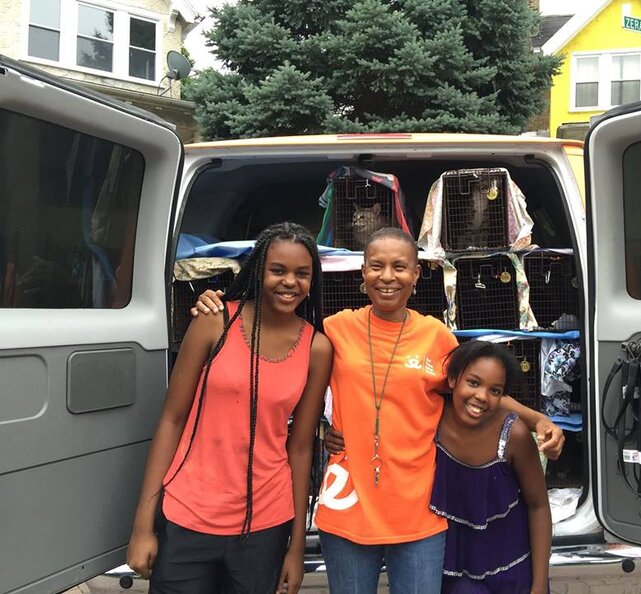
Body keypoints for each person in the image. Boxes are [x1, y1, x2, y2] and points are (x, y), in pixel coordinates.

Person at [193, 227, 564, 594]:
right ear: (363, 272)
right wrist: (217, 305)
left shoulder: (437, 338)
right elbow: (279, 334)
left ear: (416, 274)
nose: (388, 277)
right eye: (377, 266)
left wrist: (538, 419)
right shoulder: (335, 330)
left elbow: (479, 391)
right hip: (348, 509)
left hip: (420, 511)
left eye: (400, 267)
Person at [127, 222, 333, 594]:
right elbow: (172, 420)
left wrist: (296, 548)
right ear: (258, 270)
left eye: (302, 274)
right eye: (278, 270)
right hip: (188, 513)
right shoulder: (214, 320)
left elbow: (301, 448)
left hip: (265, 524)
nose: (290, 282)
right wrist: (143, 525)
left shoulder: (316, 349)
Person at [432, 340, 551, 593]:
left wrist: (539, 585)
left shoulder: (514, 436)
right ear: (452, 379)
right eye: (473, 383)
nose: (481, 396)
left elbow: (538, 505)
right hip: (452, 571)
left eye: (495, 390)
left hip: (511, 571)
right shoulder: (431, 420)